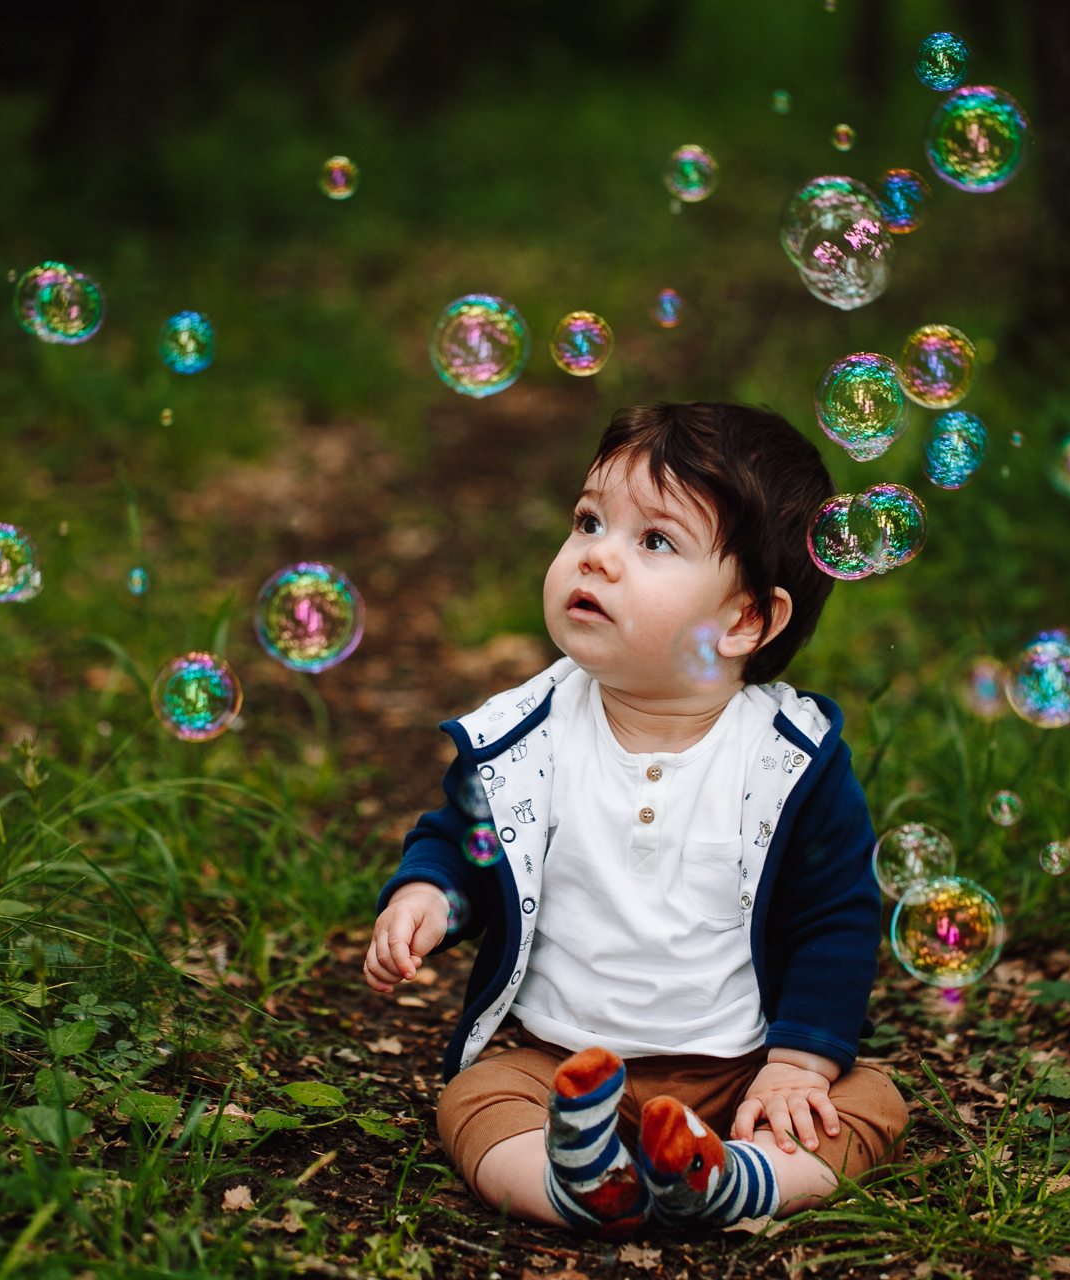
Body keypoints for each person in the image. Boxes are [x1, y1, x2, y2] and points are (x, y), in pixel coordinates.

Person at [362, 402, 905, 1236]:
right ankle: (582, 1185)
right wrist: (429, 896)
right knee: (475, 1101)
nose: (598, 556)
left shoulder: (789, 760)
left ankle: (736, 1178)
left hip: (737, 1068)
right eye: (588, 521)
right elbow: (465, 842)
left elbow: (836, 913)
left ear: (746, 620)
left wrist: (796, 1064)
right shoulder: (526, 736)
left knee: (867, 1101)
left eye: (654, 541)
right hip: (561, 1062)